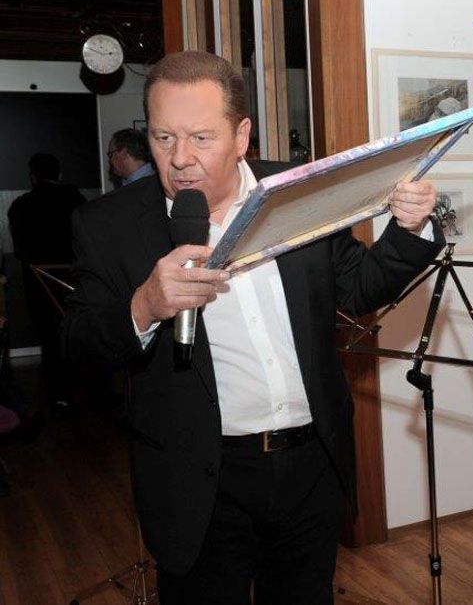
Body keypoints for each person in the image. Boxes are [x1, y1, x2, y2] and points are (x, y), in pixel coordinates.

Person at [61, 51, 443, 604]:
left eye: (201, 138)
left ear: (241, 136)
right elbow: (76, 346)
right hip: (199, 480)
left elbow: (359, 289)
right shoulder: (108, 224)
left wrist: (409, 229)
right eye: (163, 138)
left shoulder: (297, 188)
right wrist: (143, 307)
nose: (180, 159)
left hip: (312, 464)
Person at [7, 152, 86, 412]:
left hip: (39, 286)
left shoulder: (19, 206)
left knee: (50, 339)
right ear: (59, 174)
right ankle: (90, 390)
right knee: (83, 333)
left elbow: (20, 250)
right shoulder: (76, 200)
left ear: (33, 177)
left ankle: (57, 395)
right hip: (77, 281)